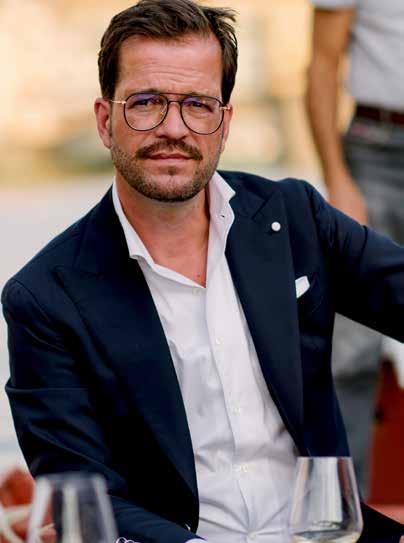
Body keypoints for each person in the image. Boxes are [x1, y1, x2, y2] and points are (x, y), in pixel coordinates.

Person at [2, 1, 404, 542]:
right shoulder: (45, 296)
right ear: (104, 121)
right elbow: (84, 493)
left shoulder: (295, 217)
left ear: (225, 122)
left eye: (198, 105)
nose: (174, 128)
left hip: (328, 536)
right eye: (146, 103)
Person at [306, 0, 404, 495]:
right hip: (375, 150)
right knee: (350, 351)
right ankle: (340, 513)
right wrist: (337, 177)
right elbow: (323, 63)